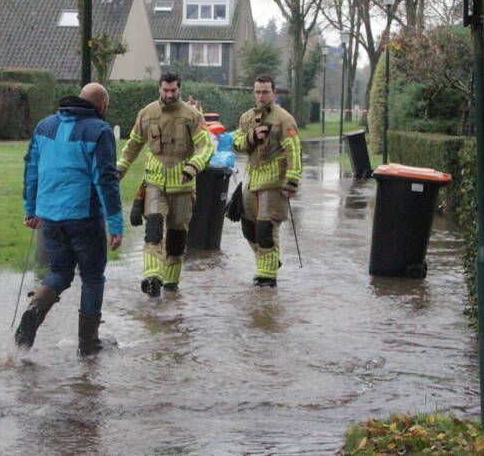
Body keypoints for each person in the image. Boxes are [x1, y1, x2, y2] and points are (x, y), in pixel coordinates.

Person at [16, 83, 123, 355]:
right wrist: (115, 223)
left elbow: (31, 168)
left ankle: (35, 307)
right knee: (92, 277)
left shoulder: (44, 126)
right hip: (84, 217)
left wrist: (30, 208)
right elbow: (106, 179)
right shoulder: (99, 130)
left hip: (50, 218)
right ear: (102, 105)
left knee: (60, 273)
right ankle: (88, 344)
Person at [117, 72, 213, 297]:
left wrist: (193, 167)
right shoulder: (146, 114)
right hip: (154, 184)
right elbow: (133, 146)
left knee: (177, 235)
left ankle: (171, 283)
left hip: (183, 187)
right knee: (153, 229)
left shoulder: (192, 115)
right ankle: (152, 277)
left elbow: (206, 147)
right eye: (165, 90)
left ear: (180, 90)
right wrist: (119, 171)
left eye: (173, 90)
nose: (169, 94)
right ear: (159, 89)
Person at [233, 74, 302, 287]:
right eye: (258, 92)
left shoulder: (284, 119)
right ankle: (270, 261)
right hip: (251, 180)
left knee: (266, 228)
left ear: (274, 92)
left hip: (274, 182)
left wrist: (291, 182)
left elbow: (294, 151)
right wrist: (251, 137)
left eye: (265, 92)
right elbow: (236, 144)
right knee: (248, 229)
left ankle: (267, 276)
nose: (261, 96)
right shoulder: (246, 118)